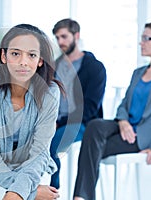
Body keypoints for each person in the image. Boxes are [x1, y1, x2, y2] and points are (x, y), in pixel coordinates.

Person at [0, 24, 63, 200]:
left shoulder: (50, 93)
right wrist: (27, 193)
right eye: (15, 54)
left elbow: (40, 152)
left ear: (40, 60)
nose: (23, 62)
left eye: (31, 55)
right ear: (4, 56)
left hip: (33, 169)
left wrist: (19, 190)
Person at [73, 21, 151, 200]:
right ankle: (82, 198)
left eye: (146, 38)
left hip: (141, 137)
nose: (141, 42)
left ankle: (81, 197)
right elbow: (124, 104)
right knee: (95, 125)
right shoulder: (138, 72)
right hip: (123, 127)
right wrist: (124, 122)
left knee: (91, 147)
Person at [49, 18, 106, 189]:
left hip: (81, 123)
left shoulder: (94, 67)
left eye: (64, 37)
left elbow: (90, 107)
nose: (60, 42)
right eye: (57, 38)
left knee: (52, 146)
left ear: (76, 36)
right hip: (54, 122)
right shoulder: (54, 66)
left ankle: (52, 191)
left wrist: (61, 122)